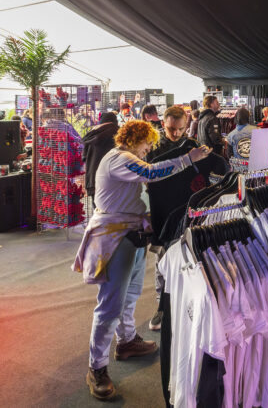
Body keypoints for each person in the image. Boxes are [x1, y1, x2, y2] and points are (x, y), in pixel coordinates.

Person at [72, 120, 210, 400]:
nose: (148, 151)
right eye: (147, 146)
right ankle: (96, 368)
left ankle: (126, 341)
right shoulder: (119, 158)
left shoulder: (120, 158)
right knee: (110, 304)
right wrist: (188, 159)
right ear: (137, 139)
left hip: (130, 235)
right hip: (115, 238)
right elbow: (152, 172)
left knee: (130, 295)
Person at [145, 105, 200, 331]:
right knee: (163, 261)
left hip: (188, 212)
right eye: (170, 129)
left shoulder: (194, 147)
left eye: (179, 129)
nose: (175, 133)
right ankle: (163, 306)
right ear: (163, 125)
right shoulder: (154, 148)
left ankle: (189, 305)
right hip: (162, 212)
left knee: (191, 260)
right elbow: (147, 176)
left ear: (186, 126)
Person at [82, 112, 119, 205]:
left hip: (93, 182)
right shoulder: (119, 133)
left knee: (98, 214)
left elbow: (84, 159)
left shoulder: (90, 135)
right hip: (113, 182)